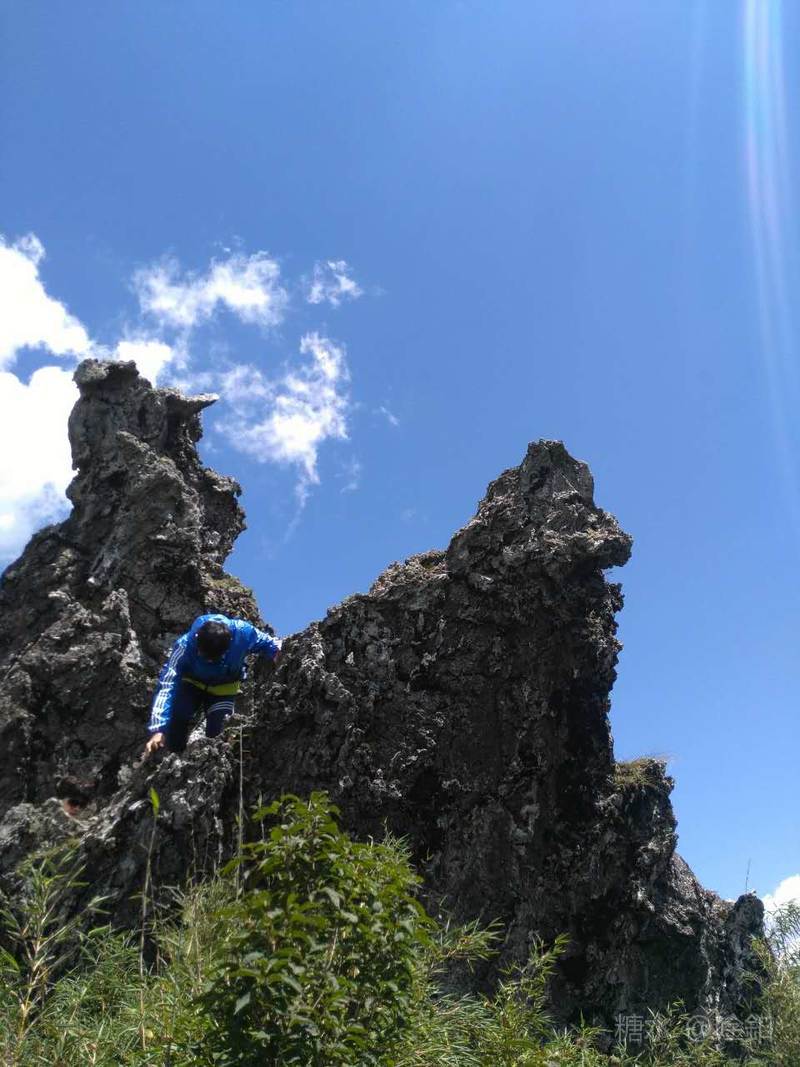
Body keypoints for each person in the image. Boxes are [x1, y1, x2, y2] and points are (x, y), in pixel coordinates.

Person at [144, 613, 281, 756]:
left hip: (224, 689)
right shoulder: (184, 645)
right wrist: (158, 729)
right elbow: (167, 684)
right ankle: (174, 757)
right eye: (204, 656)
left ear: (229, 644)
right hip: (191, 684)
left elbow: (268, 642)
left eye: (215, 658)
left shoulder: (242, 633)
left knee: (220, 733)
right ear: (197, 639)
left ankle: (211, 763)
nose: (209, 661)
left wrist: (277, 652)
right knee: (177, 716)